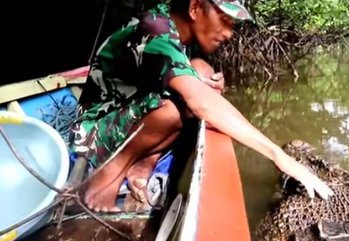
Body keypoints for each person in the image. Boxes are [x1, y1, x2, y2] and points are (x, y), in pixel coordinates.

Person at [70, 0, 334, 213]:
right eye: (225, 20)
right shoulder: (155, 30)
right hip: (94, 133)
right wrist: (280, 157)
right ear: (195, 8)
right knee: (174, 109)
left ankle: (144, 161)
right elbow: (200, 103)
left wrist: (211, 83)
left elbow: (195, 77)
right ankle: (105, 178)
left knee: (200, 71)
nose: (229, 33)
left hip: (128, 116)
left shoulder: (177, 26)